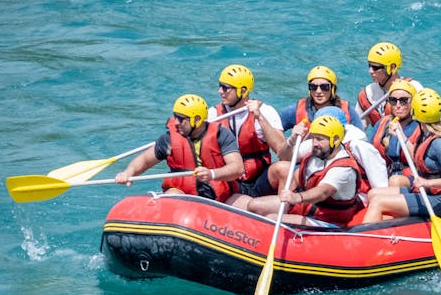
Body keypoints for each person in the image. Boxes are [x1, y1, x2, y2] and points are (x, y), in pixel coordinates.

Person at [240, 114, 364, 227]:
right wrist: (291, 140)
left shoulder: (344, 169)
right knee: (254, 206)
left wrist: (297, 197)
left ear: (335, 140)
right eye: (314, 137)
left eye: (320, 139)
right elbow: (284, 156)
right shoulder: (316, 148)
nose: (315, 143)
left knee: (271, 219)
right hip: (307, 206)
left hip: (327, 219)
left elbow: (322, 192)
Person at [114, 94, 243, 201]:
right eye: (176, 117)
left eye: (181, 119)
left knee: (252, 205)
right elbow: (145, 160)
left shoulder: (221, 134)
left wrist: (212, 174)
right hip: (182, 193)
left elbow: (237, 168)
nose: (176, 122)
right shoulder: (169, 139)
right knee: (172, 197)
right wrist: (128, 173)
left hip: (221, 198)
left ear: (197, 120)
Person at [362, 88, 441, 225]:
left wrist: (427, 183)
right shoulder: (424, 132)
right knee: (373, 194)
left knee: (378, 202)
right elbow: (416, 155)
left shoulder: (440, 143)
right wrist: (401, 135)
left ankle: (365, 240)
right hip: (426, 191)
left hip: (440, 200)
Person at [211, 64, 285, 196]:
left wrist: (260, 118)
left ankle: (281, 208)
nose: (220, 91)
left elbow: (281, 150)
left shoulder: (265, 111)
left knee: (283, 168)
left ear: (243, 91)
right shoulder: (213, 115)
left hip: (258, 179)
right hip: (229, 180)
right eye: (220, 86)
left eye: (225, 88)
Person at [279, 66, 364, 134]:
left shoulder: (347, 111)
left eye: (324, 87)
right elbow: (275, 131)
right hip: (307, 153)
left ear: (333, 89)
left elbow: (361, 138)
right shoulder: (296, 110)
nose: (318, 91)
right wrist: (290, 143)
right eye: (313, 87)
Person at [370, 79, 423, 181]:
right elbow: (370, 152)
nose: (398, 105)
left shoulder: (420, 127)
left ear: (413, 102)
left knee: (395, 181)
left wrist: (402, 136)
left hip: (410, 175)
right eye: (393, 100)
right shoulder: (382, 123)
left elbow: (420, 161)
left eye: (403, 100)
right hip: (385, 172)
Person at [356, 41, 420, 126]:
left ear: (392, 68)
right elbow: (357, 128)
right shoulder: (367, 94)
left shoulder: (415, 88)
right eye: (369, 66)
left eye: (376, 67)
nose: (370, 71)